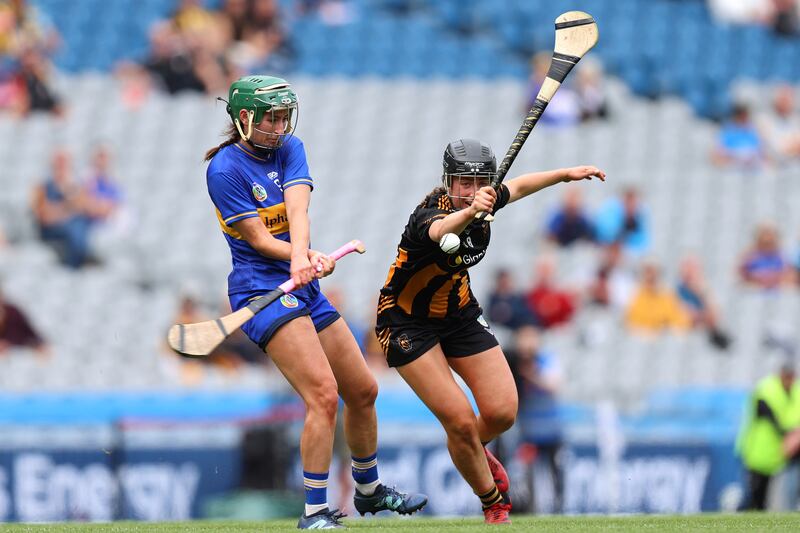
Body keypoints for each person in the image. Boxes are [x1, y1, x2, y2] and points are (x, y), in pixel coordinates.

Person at [204, 75, 426, 529]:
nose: (280, 127)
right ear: (244, 118)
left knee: (362, 389)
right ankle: (314, 512)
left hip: (300, 282)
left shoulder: (290, 147)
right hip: (260, 290)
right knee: (323, 395)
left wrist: (303, 256)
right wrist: (299, 258)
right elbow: (258, 239)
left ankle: (369, 491)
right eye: (271, 118)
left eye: (284, 117)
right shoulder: (224, 170)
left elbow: (298, 210)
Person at [375, 138, 604, 524]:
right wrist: (471, 211)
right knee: (461, 420)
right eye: (464, 182)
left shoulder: (485, 199)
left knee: (501, 413)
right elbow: (440, 231)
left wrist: (565, 175)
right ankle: (494, 503)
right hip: (406, 321)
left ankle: (468, 447)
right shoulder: (428, 214)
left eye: (480, 181)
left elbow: (520, 186)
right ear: (448, 181)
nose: (472, 189)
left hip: (459, 314)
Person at [506, 325, 565, 514]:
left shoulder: (546, 359)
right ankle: (528, 508)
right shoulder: (513, 363)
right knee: (524, 474)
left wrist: (531, 374)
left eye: (531, 338)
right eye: (524, 339)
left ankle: (558, 509)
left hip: (551, 430)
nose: (527, 344)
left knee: (556, 473)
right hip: (527, 432)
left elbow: (554, 384)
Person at [736, 362, 800, 510]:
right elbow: (770, 417)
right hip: (758, 451)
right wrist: (789, 433)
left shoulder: (793, 391)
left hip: (778, 452)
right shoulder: (767, 389)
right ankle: (743, 511)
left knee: (765, 494)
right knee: (755, 491)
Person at [31, 149, 93, 268]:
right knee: (75, 229)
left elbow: (84, 207)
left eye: (65, 162)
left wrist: (68, 193)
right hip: (50, 230)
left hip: (71, 226)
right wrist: (69, 209)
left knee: (81, 226)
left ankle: (79, 264)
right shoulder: (42, 186)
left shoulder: (74, 186)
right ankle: (74, 267)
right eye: (59, 162)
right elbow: (45, 216)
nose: (62, 166)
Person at [625, 262, 691, 335]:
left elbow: (679, 320)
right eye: (648, 272)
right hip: (641, 336)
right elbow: (631, 321)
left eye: (654, 273)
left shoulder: (667, 296)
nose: (650, 276)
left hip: (663, 337)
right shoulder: (635, 296)